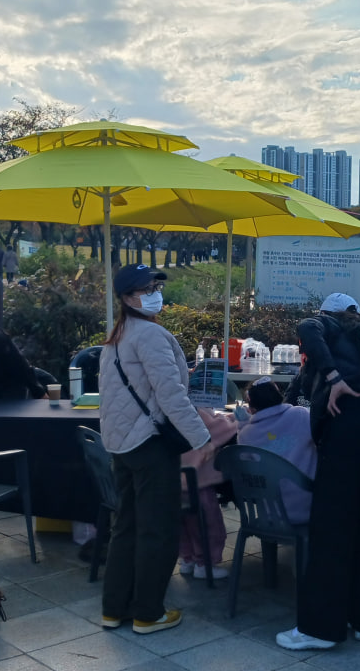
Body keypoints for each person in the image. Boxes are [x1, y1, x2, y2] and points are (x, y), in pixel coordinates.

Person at [275, 292, 360, 651]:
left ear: (329, 313)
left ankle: (320, 629)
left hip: (348, 424)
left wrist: (333, 378)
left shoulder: (329, 326)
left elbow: (306, 327)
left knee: (332, 527)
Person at [98, 264, 210, 635]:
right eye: (146, 289)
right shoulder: (150, 334)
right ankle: (148, 613)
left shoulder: (118, 336)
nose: (155, 294)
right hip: (150, 445)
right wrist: (202, 439)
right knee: (157, 530)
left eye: (156, 287)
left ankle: (114, 609)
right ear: (127, 297)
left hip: (123, 445)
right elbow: (171, 397)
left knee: (126, 527)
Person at [238, 377, 317, 524]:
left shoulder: (246, 434)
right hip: (310, 509)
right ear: (279, 395)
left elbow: (246, 470)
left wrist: (243, 425)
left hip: (271, 514)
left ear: (251, 407)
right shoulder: (300, 415)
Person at [178, 409, 237, 580]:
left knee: (182, 523)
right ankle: (205, 564)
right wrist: (236, 419)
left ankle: (187, 559)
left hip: (175, 477)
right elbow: (221, 429)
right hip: (198, 479)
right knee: (208, 524)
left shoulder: (167, 409)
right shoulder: (192, 409)